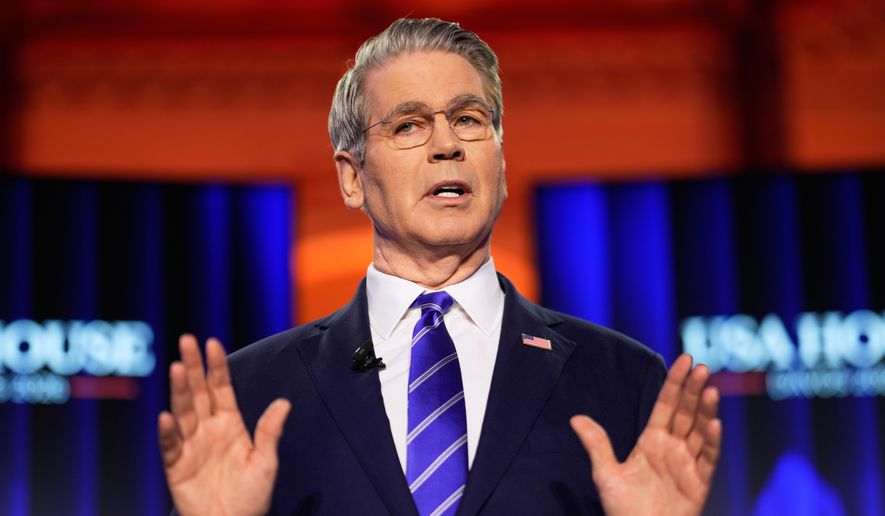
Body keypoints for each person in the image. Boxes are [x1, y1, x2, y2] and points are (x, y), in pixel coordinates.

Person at [157, 18, 721, 516]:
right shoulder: (251, 392)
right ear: (352, 178)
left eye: (470, 120)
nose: (447, 144)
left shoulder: (622, 379)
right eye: (408, 126)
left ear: (500, 161)